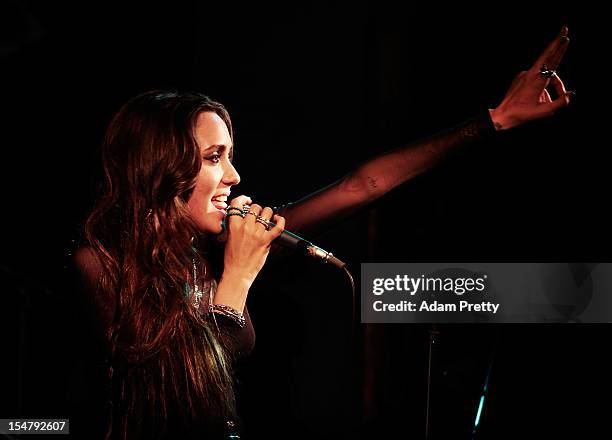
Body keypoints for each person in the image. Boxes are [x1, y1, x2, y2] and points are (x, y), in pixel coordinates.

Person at [71, 27, 572, 439]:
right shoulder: (101, 263)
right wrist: (239, 278)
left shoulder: (217, 246)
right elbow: (178, 399)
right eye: (212, 158)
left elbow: (362, 186)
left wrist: (494, 121)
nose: (234, 176)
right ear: (160, 169)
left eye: (230, 155)